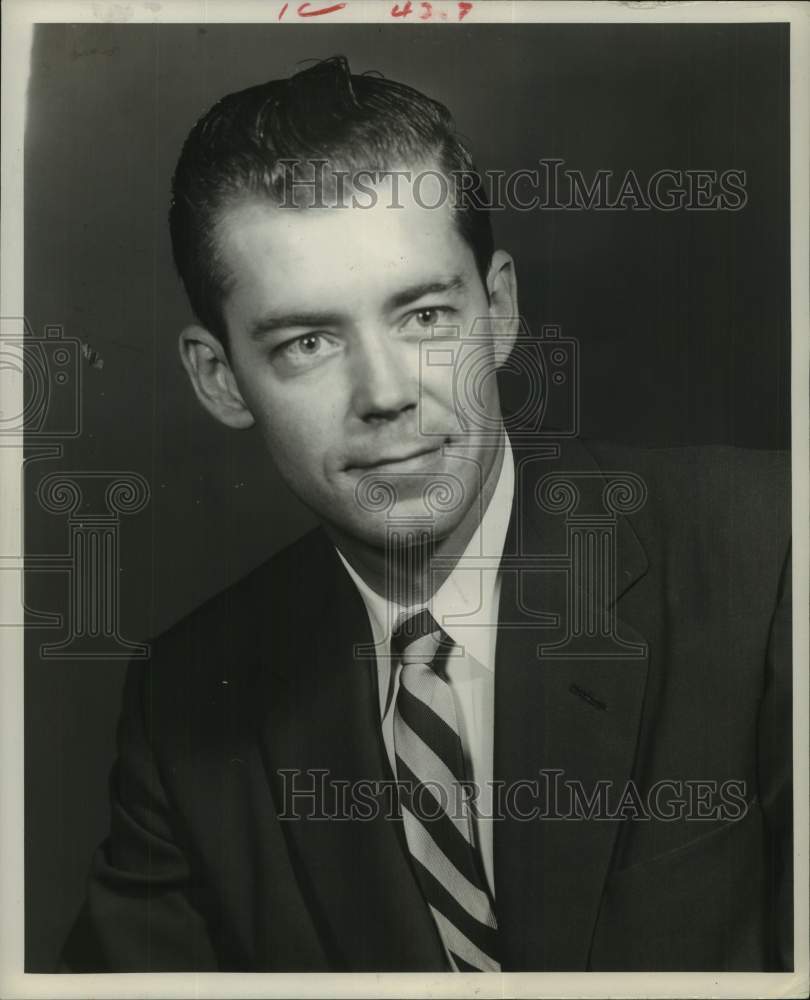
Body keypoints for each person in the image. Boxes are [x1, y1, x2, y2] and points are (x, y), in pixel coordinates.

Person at [61, 55, 792, 973]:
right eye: (308, 341)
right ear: (220, 379)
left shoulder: (770, 554)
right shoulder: (188, 706)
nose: (385, 395)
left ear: (499, 310)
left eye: (423, 318)